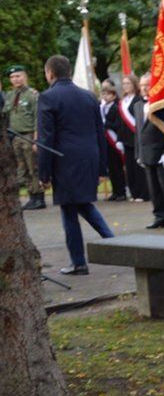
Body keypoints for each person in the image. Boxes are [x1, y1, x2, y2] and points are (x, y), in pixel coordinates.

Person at [35, 55, 114, 275]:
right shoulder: (89, 97)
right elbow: (100, 134)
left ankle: (79, 262)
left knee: (70, 210)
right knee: (83, 204)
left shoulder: (48, 98)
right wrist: (102, 167)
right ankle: (115, 244)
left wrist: (44, 173)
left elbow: (45, 139)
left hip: (64, 160)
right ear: (68, 72)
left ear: (50, 73)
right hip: (88, 157)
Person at [134, 73, 164, 229]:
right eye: (141, 85)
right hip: (146, 153)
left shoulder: (162, 104)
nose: (144, 88)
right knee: (153, 189)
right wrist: (138, 154)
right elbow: (138, 131)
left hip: (161, 152)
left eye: (147, 85)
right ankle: (159, 216)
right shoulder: (138, 106)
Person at [4, 65, 43, 210]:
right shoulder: (10, 95)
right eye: (13, 77)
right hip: (15, 137)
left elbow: (37, 118)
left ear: (25, 76)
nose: (15, 79)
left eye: (18, 76)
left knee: (33, 167)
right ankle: (31, 196)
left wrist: (36, 139)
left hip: (28, 136)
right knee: (22, 168)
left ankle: (39, 197)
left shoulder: (32, 95)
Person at [115, 74, 149, 202]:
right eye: (124, 84)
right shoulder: (122, 102)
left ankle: (143, 193)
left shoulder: (138, 100)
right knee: (129, 167)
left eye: (128, 83)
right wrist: (118, 139)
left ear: (134, 85)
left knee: (139, 167)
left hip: (136, 137)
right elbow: (120, 122)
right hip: (125, 139)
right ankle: (134, 192)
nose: (125, 86)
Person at [98, 81, 128, 202]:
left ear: (114, 96)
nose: (106, 96)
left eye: (108, 94)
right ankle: (115, 191)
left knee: (117, 168)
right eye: (104, 94)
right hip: (106, 142)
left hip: (114, 140)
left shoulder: (116, 108)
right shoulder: (103, 108)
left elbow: (118, 125)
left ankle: (122, 192)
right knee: (111, 168)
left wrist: (107, 124)